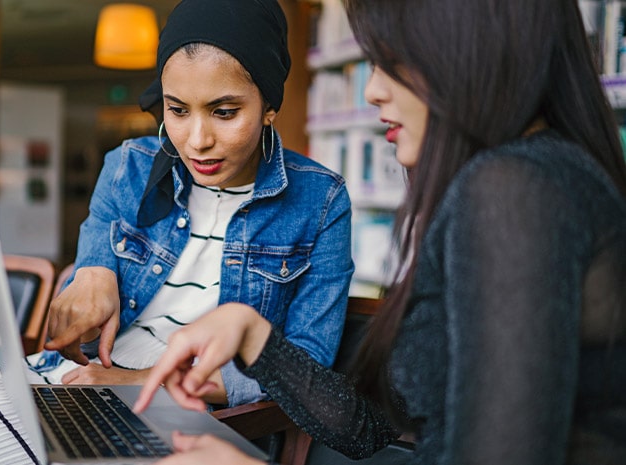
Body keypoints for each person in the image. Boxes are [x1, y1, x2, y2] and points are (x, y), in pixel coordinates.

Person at [0, 1, 354, 463]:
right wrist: (90, 276)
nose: (197, 140)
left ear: (269, 107)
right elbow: (80, 300)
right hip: (66, 385)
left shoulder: (320, 201)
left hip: (182, 420)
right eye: (176, 110)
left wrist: (139, 383)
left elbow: (301, 374)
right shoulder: (129, 165)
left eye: (224, 112)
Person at [134, 0, 626, 464]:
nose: (372, 91)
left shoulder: (514, 190)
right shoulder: (537, 176)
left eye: (392, 60)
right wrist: (254, 336)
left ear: (471, 45)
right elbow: (372, 430)